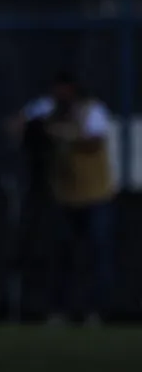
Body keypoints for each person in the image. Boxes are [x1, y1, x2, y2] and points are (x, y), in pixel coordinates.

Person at [17, 73, 117, 325]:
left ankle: (97, 311)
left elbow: (93, 138)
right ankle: (58, 310)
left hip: (95, 195)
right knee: (62, 256)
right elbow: (18, 125)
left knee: (97, 255)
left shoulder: (92, 110)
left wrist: (61, 133)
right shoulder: (46, 109)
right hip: (63, 195)